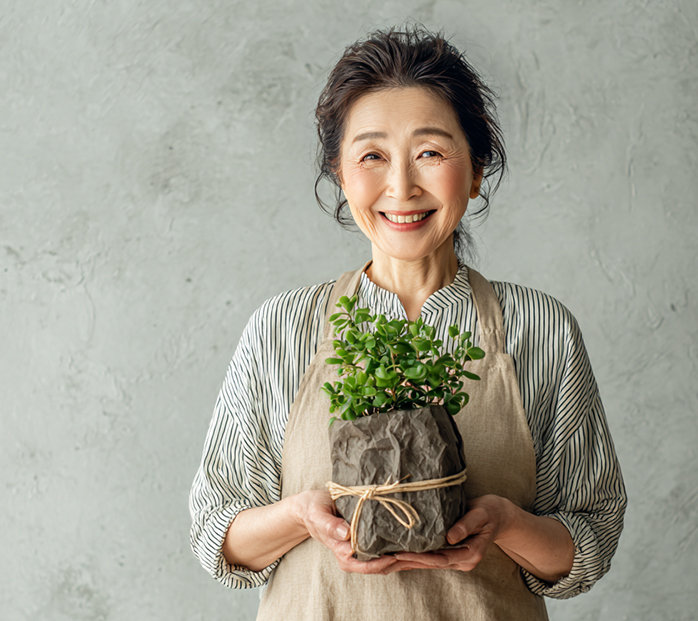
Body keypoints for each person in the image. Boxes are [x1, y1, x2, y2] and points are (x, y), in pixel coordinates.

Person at [189, 26, 627, 620]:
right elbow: (218, 536)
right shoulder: (283, 328)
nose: (401, 186)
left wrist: (505, 524)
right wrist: (301, 517)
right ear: (342, 177)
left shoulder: (538, 328)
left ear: (474, 172)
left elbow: (587, 545)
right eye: (372, 156)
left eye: (430, 152)